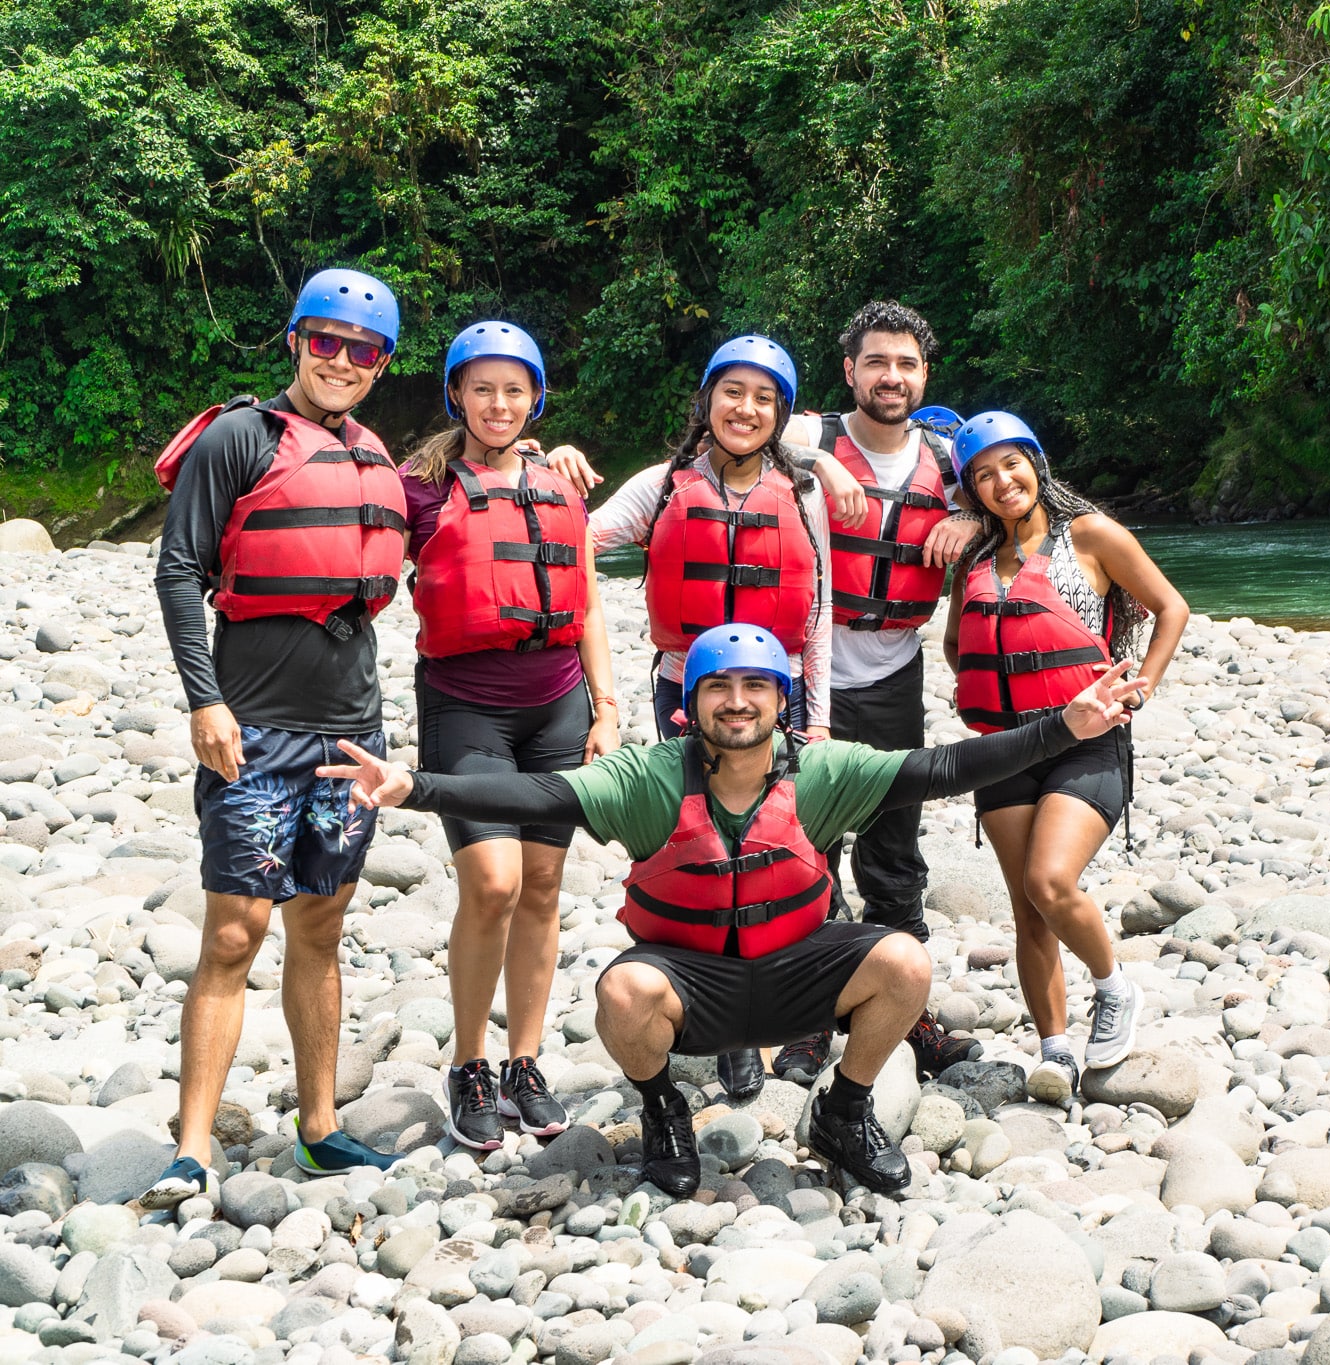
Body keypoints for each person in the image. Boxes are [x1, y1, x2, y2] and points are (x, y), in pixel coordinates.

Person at [317, 629, 1148, 1195]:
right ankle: (664, 1111)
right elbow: (539, 790)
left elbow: (943, 766)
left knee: (904, 961)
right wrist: (414, 788)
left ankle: (843, 1114)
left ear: (781, 700)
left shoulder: (821, 772)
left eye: (757, 686)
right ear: (691, 703)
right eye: (720, 686)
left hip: (796, 984)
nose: (739, 701)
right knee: (620, 994)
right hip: (693, 989)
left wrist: (1059, 729)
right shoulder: (649, 778)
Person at [145, 268, 412, 1207]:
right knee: (231, 932)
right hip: (251, 727)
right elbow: (180, 571)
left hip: (348, 730)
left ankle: (321, 1126)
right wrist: (203, 701)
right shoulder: (238, 438)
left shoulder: (380, 456)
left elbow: (478, 476)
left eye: (362, 349)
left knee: (321, 924)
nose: (340, 361)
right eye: (325, 340)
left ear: (381, 365)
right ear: (296, 339)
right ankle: (190, 1149)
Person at [580, 335, 832, 1103]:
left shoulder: (806, 494)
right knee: (712, 860)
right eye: (733, 393)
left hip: (777, 698)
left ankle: (806, 1018)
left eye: (764, 398)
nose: (746, 409)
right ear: (708, 400)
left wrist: (818, 718)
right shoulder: (663, 486)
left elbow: (819, 611)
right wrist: (546, 461)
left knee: (796, 852)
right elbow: (573, 537)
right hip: (685, 695)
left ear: (781, 415)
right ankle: (731, 1039)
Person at [401, 321, 621, 1150]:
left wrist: (606, 706)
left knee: (540, 886)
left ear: (535, 398)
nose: (498, 403)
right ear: (456, 393)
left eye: (514, 389)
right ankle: (470, 1062)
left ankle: (526, 1062)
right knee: (490, 883)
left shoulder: (560, 481)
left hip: (557, 704)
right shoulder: (419, 486)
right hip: (465, 706)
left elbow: (589, 599)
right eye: (482, 387)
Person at [942, 411, 1189, 1102]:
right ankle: (1056, 1051)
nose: (1002, 481)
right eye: (983, 475)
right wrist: (974, 690)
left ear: (1036, 463)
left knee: (1050, 881)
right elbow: (957, 644)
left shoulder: (1091, 535)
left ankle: (1114, 989)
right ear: (973, 489)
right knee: (1026, 909)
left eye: (1011, 464)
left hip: (1086, 738)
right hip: (1005, 745)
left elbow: (1170, 606)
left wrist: (1143, 684)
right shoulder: (974, 560)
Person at [768, 301, 981, 1086]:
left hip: (895, 674)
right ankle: (804, 1018)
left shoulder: (951, 459)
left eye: (907, 365)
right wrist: (823, 463)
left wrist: (967, 511)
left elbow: (1022, 488)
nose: (892, 377)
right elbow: (741, 428)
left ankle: (909, 1012)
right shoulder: (806, 438)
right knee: (803, 850)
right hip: (803, 676)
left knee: (895, 854)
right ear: (850, 371)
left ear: (925, 377)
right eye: (876, 362)